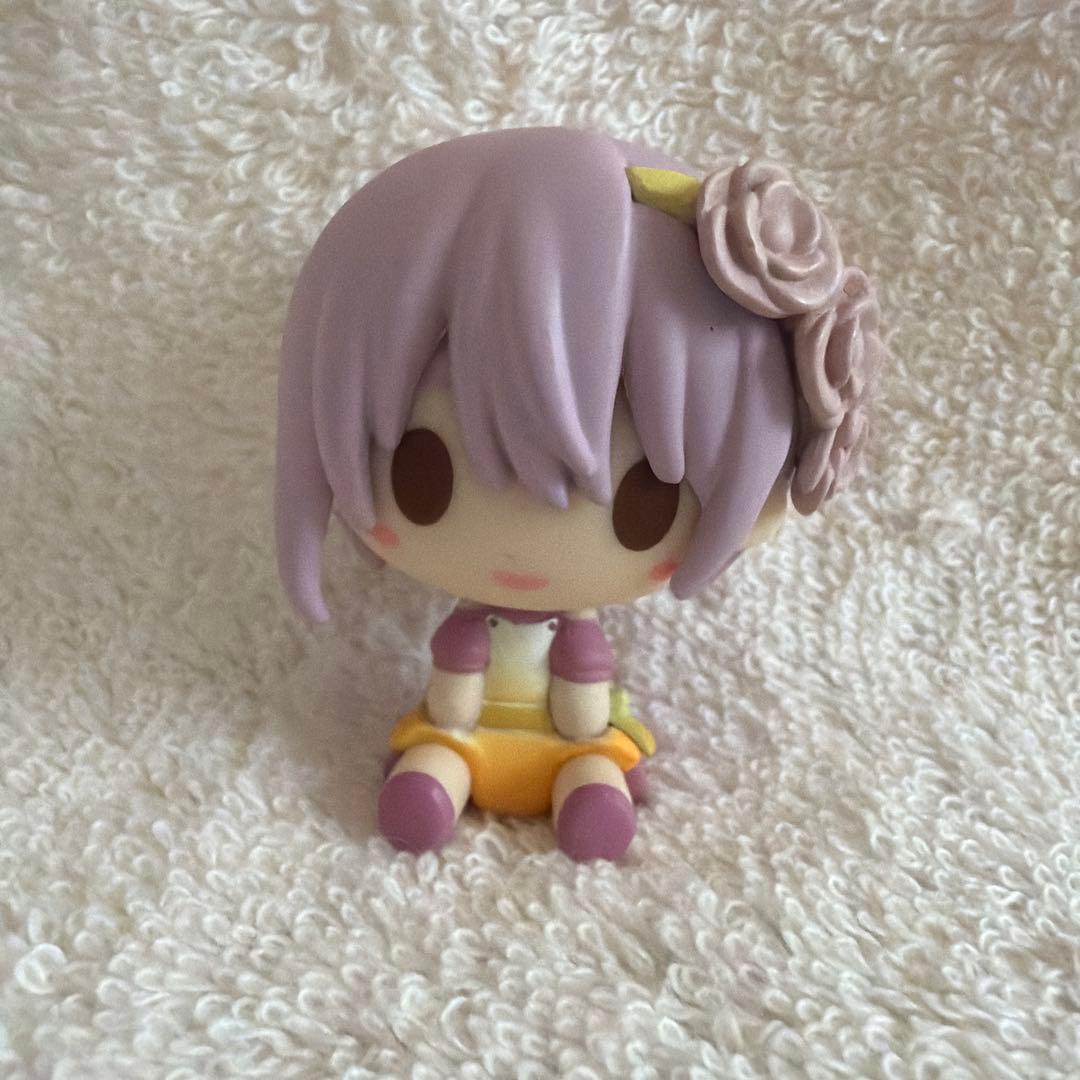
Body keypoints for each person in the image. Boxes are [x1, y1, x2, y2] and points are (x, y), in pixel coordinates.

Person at [275, 128, 882, 861]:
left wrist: (581, 727)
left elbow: (582, 697)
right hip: (464, 735)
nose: (520, 544)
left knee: (591, 756)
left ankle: (588, 795)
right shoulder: (468, 632)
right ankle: (434, 786)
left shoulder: (577, 640)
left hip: (568, 740)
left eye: (641, 508)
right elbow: (454, 689)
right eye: (420, 477)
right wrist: (455, 715)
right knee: (437, 750)